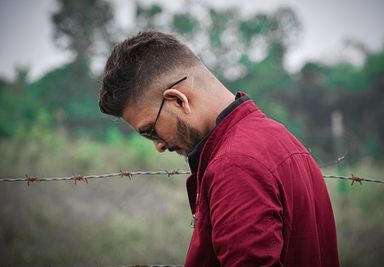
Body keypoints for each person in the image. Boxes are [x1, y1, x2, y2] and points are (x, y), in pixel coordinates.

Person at [98, 30, 340, 267]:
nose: (159, 146)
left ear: (178, 100)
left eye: (151, 129)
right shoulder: (279, 136)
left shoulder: (235, 163)